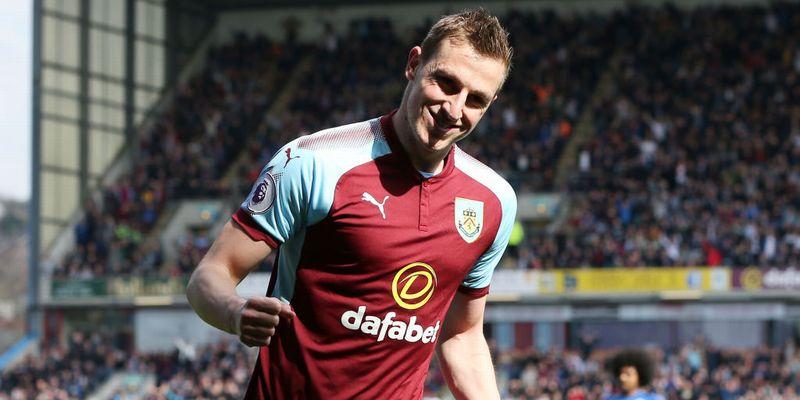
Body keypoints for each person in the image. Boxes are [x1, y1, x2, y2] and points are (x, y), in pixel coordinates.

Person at [187, 8, 516, 399]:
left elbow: (462, 335)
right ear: (414, 64)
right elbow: (210, 276)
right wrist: (235, 313)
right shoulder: (313, 163)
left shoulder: (493, 202)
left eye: (476, 100)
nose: (454, 110)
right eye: (446, 83)